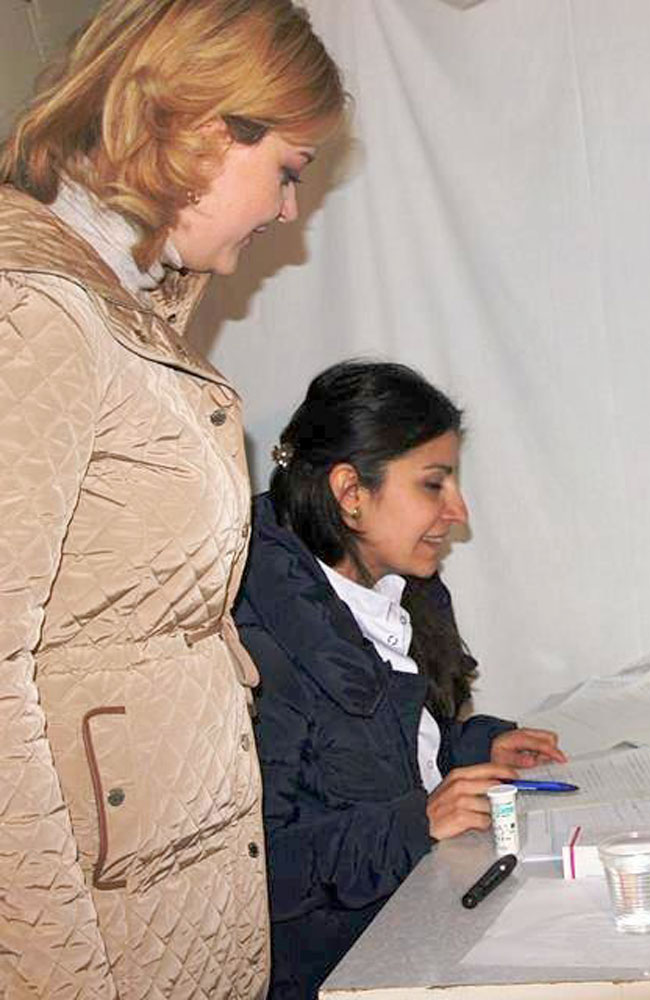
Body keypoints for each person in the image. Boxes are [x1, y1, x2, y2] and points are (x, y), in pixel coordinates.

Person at [0, 2, 344, 996]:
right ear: (204, 127)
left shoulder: (111, 303)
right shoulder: (33, 307)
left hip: (169, 897)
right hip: (100, 938)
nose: (288, 209)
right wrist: (56, 977)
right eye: (287, 169)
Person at [233, 361, 567, 999]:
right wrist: (416, 824)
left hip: (418, 925)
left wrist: (479, 745)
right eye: (433, 484)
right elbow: (256, 871)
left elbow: (387, 754)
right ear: (350, 491)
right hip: (332, 976)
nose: (457, 512)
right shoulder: (256, 642)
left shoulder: (398, 590)